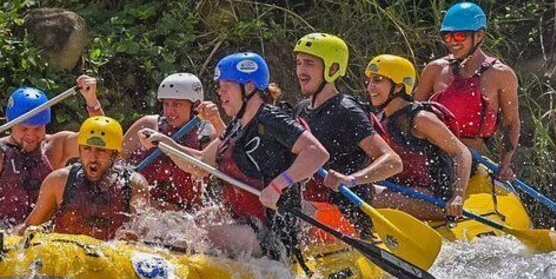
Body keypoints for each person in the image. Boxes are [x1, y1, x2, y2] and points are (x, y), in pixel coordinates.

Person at [140, 52, 329, 259]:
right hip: (245, 223)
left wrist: (278, 185)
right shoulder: (235, 127)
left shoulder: (270, 118)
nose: (220, 93)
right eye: (219, 87)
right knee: (194, 221)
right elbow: (202, 163)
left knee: (201, 234)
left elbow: (317, 153)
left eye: (226, 86)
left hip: (270, 233)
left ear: (248, 87)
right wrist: (166, 144)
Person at [0, 75, 102, 225]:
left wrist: (92, 101)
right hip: (6, 234)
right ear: (10, 123)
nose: (31, 136)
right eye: (24, 129)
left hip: (48, 234)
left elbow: (100, 141)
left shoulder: (57, 145)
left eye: (38, 128)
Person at [291, 33, 402, 237]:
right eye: (298, 63)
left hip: (345, 216)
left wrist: (351, 179)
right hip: (313, 208)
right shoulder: (300, 109)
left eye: (309, 64)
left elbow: (393, 161)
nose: (300, 71)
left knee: (289, 214)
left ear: (332, 69)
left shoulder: (346, 111)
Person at [415, 2, 520, 179]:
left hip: (471, 159)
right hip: (430, 156)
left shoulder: (501, 74)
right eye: (447, 37)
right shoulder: (435, 69)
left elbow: (512, 123)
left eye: (459, 36)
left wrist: (505, 163)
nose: (452, 42)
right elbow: (411, 115)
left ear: (479, 35)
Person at [364, 54, 472, 220]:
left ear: (399, 87)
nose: (370, 87)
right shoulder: (380, 119)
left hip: (434, 199)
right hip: (400, 190)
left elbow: (462, 152)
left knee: (371, 196)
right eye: (370, 81)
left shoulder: (420, 119)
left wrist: (458, 195)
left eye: (377, 80)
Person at [20, 116, 149, 240]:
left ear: (114, 155)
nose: (93, 158)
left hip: (111, 259)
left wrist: (134, 235)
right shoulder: (58, 181)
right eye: (87, 149)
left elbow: (142, 227)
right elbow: (28, 228)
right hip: (66, 257)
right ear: (79, 151)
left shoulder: (133, 184)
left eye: (101, 150)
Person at [123, 73, 225, 210]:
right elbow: (114, 158)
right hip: (143, 205)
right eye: (166, 104)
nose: (170, 111)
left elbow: (220, 158)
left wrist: (217, 123)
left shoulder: (205, 133)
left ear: (195, 106)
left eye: (177, 104)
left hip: (184, 213)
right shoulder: (147, 125)